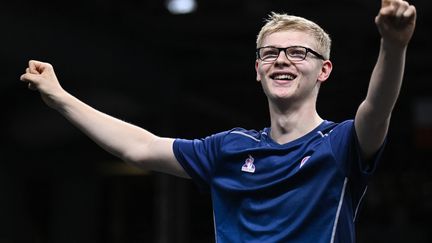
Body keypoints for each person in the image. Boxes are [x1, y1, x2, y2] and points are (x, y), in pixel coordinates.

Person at [20, 0, 416, 242]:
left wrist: (393, 44)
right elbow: (139, 147)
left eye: (298, 53)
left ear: (323, 70)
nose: (281, 60)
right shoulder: (228, 148)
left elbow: (376, 108)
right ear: (257, 70)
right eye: (270, 53)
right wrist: (59, 98)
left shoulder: (340, 144)